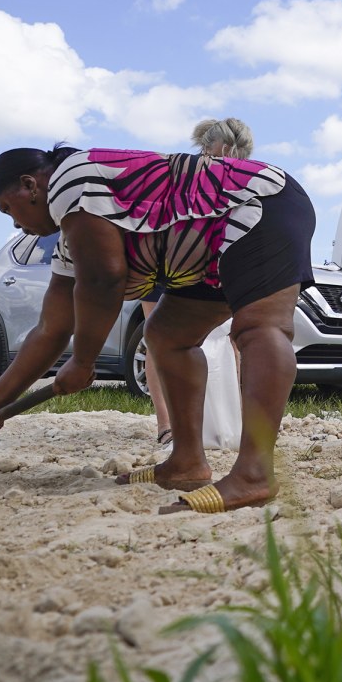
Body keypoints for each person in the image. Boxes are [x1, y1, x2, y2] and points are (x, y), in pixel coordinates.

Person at [0, 144, 315, 514]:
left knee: (260, 327)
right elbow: (50, 328)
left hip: (259, 203)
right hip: (206, 244)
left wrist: (83, 362)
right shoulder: (73, 238)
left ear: (29, 185)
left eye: (8, 209)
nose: (16, 224)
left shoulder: (71, 180)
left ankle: (255, 474)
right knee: (166, 335)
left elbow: (104, 279)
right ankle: (187, 463)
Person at [141, 117, 256, 444]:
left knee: (229, 338)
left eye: (237, 155)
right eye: (222, 153)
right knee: (157, 337)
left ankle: (235, 419)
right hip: (164, 258)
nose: (229, 160)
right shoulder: (182, 172)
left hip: (212, 263)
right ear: (206, 149)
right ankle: (166, 423)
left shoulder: (242, 177)